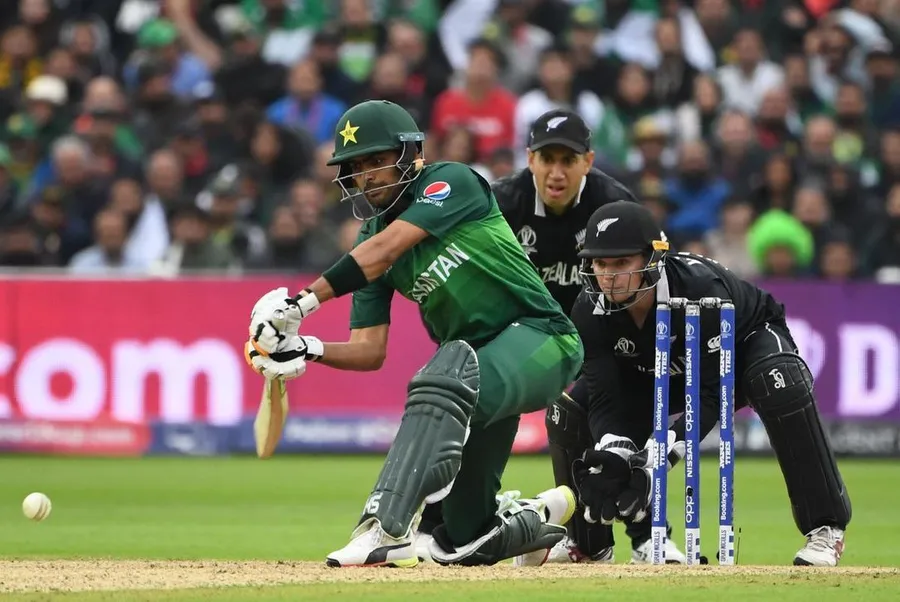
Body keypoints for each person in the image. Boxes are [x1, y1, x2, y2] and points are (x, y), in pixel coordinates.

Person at [243, 100, 584, 568]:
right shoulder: (368, 242)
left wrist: (300, 304)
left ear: (410, 153)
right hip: (478, 373)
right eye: (356, 167)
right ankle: (534, 516)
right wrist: (307, 347)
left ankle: (384, 528)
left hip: (543, 342)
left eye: (375, 161)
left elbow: (389, 248)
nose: (365, 177)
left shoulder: (451, 182)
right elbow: (369, 350)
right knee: (460, 541)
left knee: (442, 374)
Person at [421, 108, 685, 564]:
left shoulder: (613, 205)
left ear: (588, 162)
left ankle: (647, 536)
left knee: (618, 419)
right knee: (468, 403)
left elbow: (649, 281)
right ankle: (433, 526)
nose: (556, 172)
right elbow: (456, 273)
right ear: (529, 159)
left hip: (596, 333)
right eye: (547, 159)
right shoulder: (502, 203)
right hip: (520, 333)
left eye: (568, 160)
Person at [566, 200, 851, 567]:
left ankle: (826, 528)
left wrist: (657, 459)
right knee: (572, 409)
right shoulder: (588, 309)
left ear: (653, 259)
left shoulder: (701, 293)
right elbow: (605, 396)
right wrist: (616, 454)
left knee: (780, 383)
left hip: (744, 345)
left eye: (621, 263)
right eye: (600, 264)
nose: (608, 277)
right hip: (660, 366)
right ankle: (589, 543)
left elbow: (710, 395)